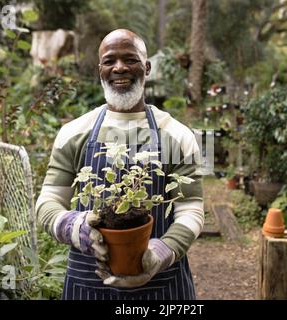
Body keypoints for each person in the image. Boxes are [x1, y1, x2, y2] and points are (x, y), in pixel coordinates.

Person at [35, 29, 204, 300]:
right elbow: (48, 202)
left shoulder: (176, 134)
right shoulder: (74, 132)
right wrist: (74, 227)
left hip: (162, 287)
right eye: (110, 60)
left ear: (146, 68)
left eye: (130, 59)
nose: (120, 67)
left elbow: (191, 210)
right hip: (87, 285)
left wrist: (160, 253)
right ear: (99, 69)